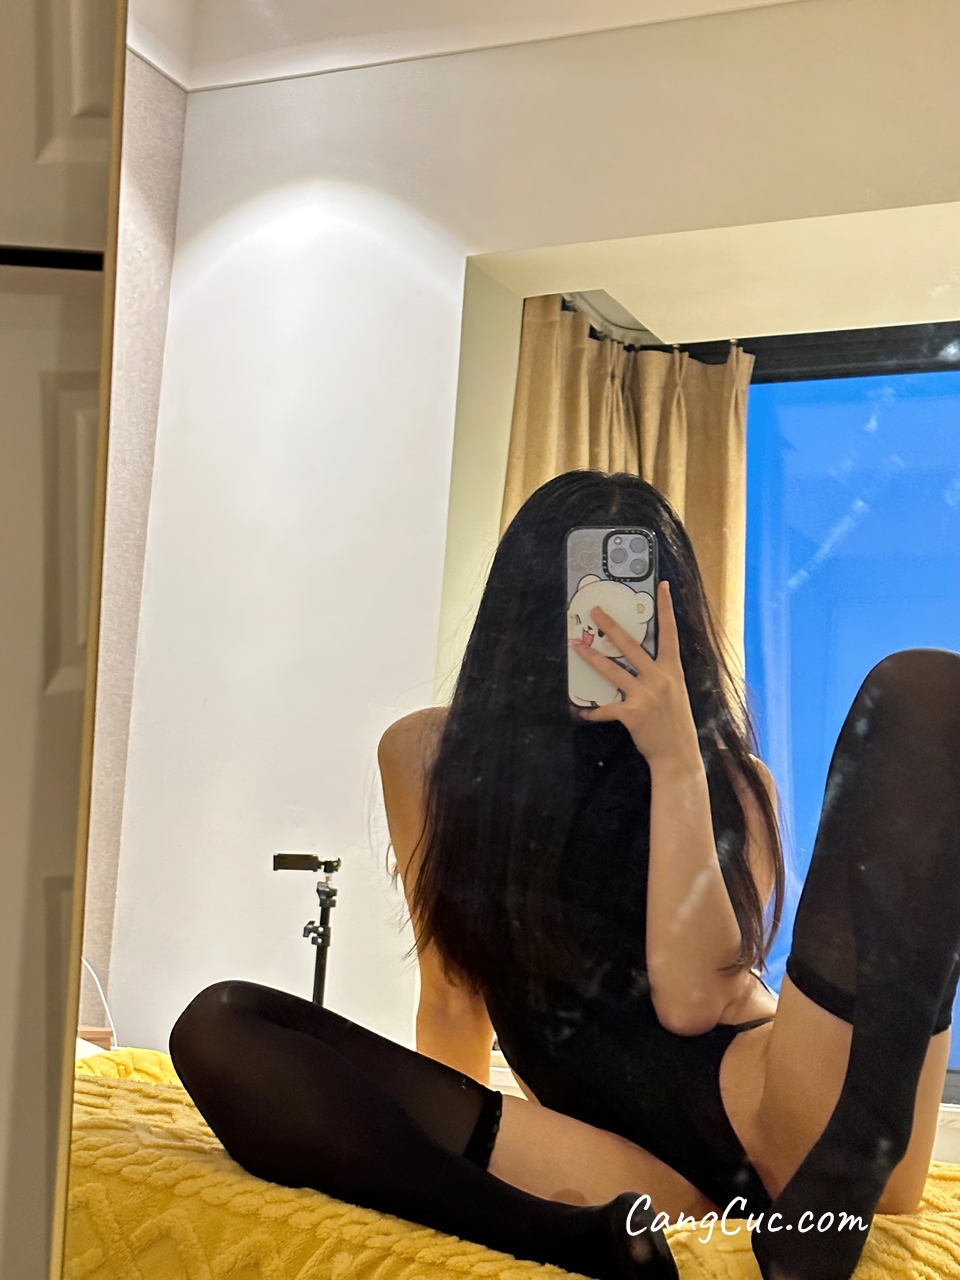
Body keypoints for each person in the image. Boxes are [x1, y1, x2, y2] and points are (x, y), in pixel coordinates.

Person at [170, 471, 960, 1280]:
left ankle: (855, 1156)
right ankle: (569, 1239)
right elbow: (451, 1002)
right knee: (221, 1028)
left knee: (925, 691)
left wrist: (674, 757)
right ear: (529, 615)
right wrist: (431, 1141)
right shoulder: (429, 758)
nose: (605, 631)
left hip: (786, 1123)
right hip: (613, 1165)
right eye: (583, 603)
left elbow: (695, 1002)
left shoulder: (727, 780)